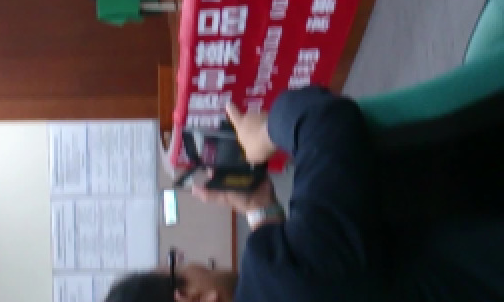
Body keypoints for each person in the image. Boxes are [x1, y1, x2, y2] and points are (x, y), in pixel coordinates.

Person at [104, 86, 504, 302]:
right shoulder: (285, 271)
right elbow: (327, 123)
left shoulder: (284, 272)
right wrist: (263, 133)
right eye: (176, 264)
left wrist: (260, 208)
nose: (191, 262)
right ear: (192, 297)